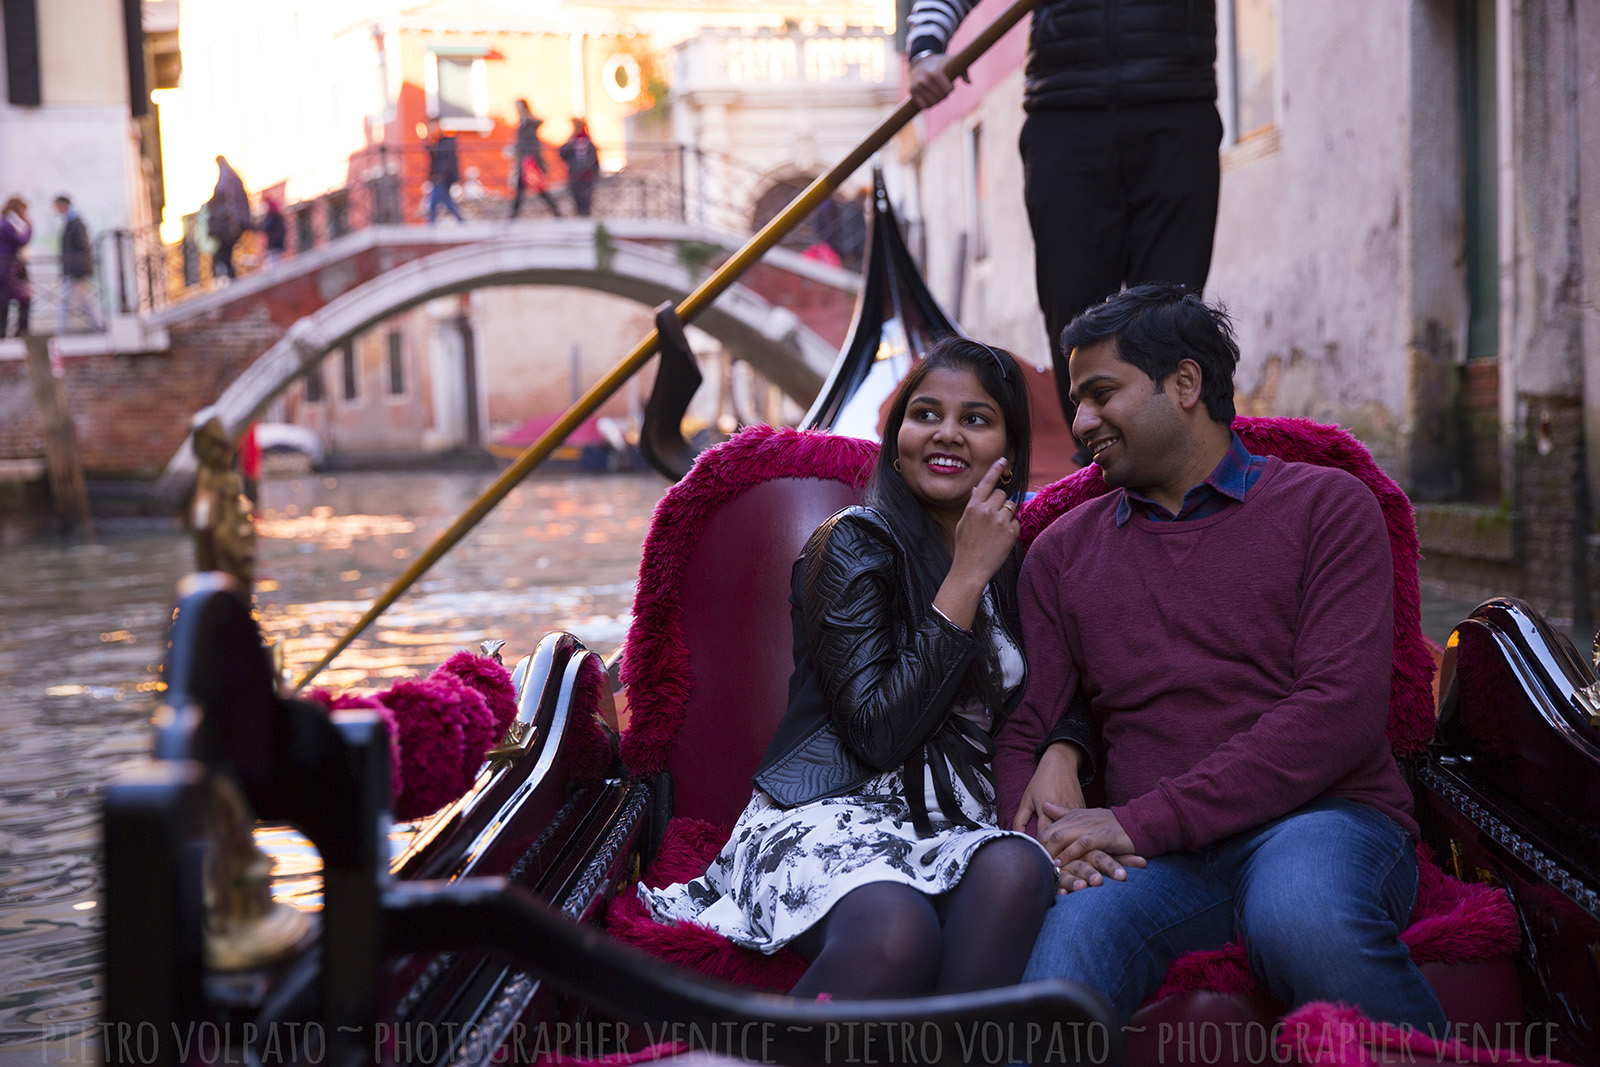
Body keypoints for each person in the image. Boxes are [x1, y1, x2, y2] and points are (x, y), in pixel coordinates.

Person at [998, 284, 1450, 1034]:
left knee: (1301, 916)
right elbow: (1021, 728)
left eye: (1101, 393)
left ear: (1184, 384)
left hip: (1321, 819)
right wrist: (1050, 847)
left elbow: (1336, 713)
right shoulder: (1060, 555)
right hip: (1159, 864)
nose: (1080, 424)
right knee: (1062, 965)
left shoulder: (1329, 507)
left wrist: (1137, 821)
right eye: (1076, 400)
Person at [639, 337, 1058, 999]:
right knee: (898, 934)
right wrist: (966, 578)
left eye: (975, 419)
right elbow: (877, 733)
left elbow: (1060, 691)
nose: (946, 433)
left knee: (1018, 871)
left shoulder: (1016, 560)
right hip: (828, 812)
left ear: (1008, 452)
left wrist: (1066, 746)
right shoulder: (854, 542)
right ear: (897, 439)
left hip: (948, 822)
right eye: (925, 414)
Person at [905, 0, 1223, 429]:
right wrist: (926, 49)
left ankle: (1172, 458)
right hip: (1064, 113)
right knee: (1075, 314)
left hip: (1178, 104)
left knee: (1171, 312)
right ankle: (1095, 460)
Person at [54, 195, 103, 333]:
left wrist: (75, 267)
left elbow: (82, 246)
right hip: (76, 269)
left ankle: (60, 331)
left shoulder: (75, 223)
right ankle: (100, 325)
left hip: (76, 270)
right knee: (86, 302)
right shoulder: (72, 222)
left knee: (67, 301)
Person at [509, 98, 561, 219]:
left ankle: (557, 212)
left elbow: (531, 142)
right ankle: (513, 216)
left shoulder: (528, 123)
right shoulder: (522, 122)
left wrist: (527, 156)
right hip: (524, 159)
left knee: (537, 188)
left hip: (529, 161)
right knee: (523, 189)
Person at [207, 156, 251, 282]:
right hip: (232, 223)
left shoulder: (226, 176)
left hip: (229, 224)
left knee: (223, 254)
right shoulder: (232, 175)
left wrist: (210, 203)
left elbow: (222, 193)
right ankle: (230, 277)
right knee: (224, 253)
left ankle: (229, 277)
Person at [0, 197, 30, 337]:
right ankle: (19, 332)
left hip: (10, 267)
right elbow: (21, 240)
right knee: (21, 299)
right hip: (8, 268)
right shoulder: (7, 225)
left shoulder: (6, 223)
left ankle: (12, 332)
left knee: (7, 301)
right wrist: (29, 227)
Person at [558, 118, 600, 218]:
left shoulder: (588, 141)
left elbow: (594, 157)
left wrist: (595, 172)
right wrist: (570, 140)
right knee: (576, 196)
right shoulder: (572, 142)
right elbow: (562, 153)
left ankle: (586, 216)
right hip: (574, 173)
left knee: (587, 197)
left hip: (587, 174)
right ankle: (580, 215)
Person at [425, 121, 465, 225]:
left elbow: (446, 161)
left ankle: (432, 223)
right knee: (445, 200)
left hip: (444, 177)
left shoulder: (445, 143)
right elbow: (435, 161)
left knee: (435, 201)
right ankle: (460, 220)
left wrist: (439, 175)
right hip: (441, 177)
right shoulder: (437, 142)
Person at [260, 196, 287, 265]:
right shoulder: (277, 217)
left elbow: (265, 228)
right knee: (276, 261)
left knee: (273, 262)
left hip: (274, 243)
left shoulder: (272, 218)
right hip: (277, 243)